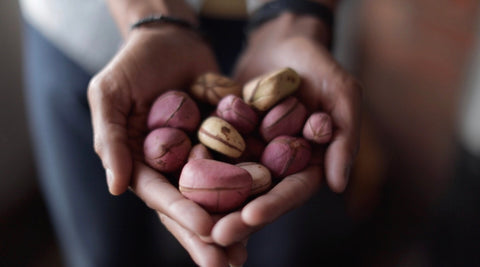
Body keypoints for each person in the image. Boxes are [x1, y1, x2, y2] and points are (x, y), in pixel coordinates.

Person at [22, 0, 362, 266]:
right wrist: (150, 11)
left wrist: (299, 13)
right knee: (104, 252)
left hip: (283, 35)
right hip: (87, 31)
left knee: (288, 253)